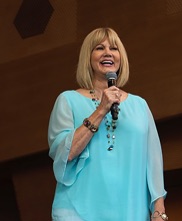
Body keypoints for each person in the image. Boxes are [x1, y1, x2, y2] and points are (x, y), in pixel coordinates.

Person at [48, 27, 168, 221]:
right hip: (76, 211)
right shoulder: (68, 100)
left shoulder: (140, 105)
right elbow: (65, 154)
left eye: (114, 48)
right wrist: (101, 110)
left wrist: (158, 209)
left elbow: (153, 162)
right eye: (99, 48)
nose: (108, 53)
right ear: (88, 56)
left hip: (131, 212)